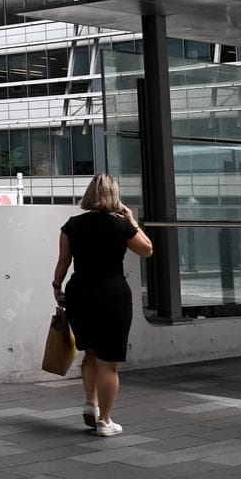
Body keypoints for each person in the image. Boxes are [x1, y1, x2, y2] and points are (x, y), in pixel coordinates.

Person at [52, 174, 153, 438]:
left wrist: (56, 286)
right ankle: (105, 421)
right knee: (109, 363)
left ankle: (91, 403)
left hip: (79, 293)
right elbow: (147, 249)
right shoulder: (121, 226)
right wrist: (132, 221)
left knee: (90, 352)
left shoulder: (72, 225)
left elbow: (63, 262)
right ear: (114, 196)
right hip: (112, 295)